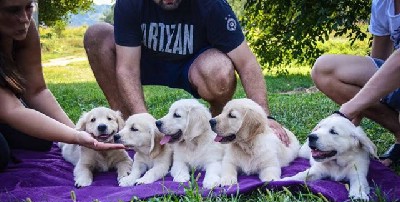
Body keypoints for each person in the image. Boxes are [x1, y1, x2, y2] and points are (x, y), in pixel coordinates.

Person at [83, 0, 290, 145]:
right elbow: (127, 67)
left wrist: (266, 116)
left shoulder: (212, 5)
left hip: (193, 65)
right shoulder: (130, 3)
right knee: (97, 35)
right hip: (144, 61)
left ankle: (214, 125)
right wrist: (145, 121)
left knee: (220, 70)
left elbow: (247, 63)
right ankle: (129, 128)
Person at [0, 0, 124, 170]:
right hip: (6, 108)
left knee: (43, 138)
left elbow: (37, 91)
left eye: (28, 7)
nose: (24, 18)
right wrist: (76, 137)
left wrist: (76, 133)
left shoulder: (25, 30)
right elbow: (10, 109)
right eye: (12, 10)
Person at [311, 0, 400, 167]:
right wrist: (357, 111)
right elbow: (378, 64)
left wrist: (346, 111)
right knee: (323, 69)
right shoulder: (383, 3)